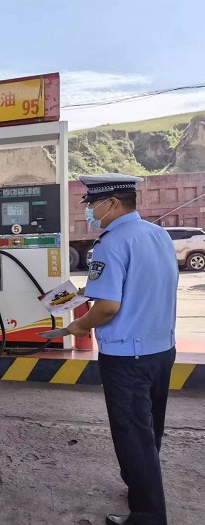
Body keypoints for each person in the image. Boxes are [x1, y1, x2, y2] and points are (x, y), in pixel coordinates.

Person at [66, 174, 178, 525]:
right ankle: (141, 486)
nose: (88, 211)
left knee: (132, 434)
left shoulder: (111, 243)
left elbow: (107, 307)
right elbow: (142, 286)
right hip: (162, 348)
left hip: (127, 356)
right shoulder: (157, 234)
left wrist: (78, 326)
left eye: (91, 204)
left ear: (112, 203)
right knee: (149, 429)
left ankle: (147, 516)